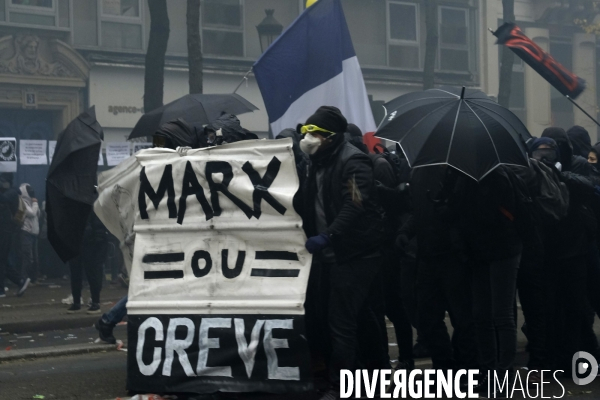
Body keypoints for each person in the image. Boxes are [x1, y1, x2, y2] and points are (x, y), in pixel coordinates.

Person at [300, 106, 386, 400]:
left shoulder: (354, 162)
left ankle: (341, 386)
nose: (310, 139)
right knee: (356, 317)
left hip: (355, 254)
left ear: (332, 137)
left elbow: (355, 204)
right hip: (332, 254)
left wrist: (328, 235)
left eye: (317, 134)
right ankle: (373, 373)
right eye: (306, 132)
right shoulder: (318, 162)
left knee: (342, 322)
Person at [66, 212, 108, 314]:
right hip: (87, 241)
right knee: (86, 273)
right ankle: (92, 302)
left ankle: (85, 302)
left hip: (87, 242)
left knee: (86, 273)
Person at [0, 173, 30, 298]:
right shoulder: (9, 192)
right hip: (5, 231)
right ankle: (20, 281)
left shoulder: (11, 193)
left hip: (6, 231)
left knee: (1, 260)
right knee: (3, 261)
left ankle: (1, 289)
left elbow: (3, 200)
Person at [19, 183, 39, 284]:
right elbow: (32, 213)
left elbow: (37, 214)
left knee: (35, 258)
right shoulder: (22, 202)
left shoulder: (31, 202)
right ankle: (24, 278)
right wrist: (35, 203)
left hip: (34, 233)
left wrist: (35, 203)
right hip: (26, 232)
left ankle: (33, 279)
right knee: (27, 257)